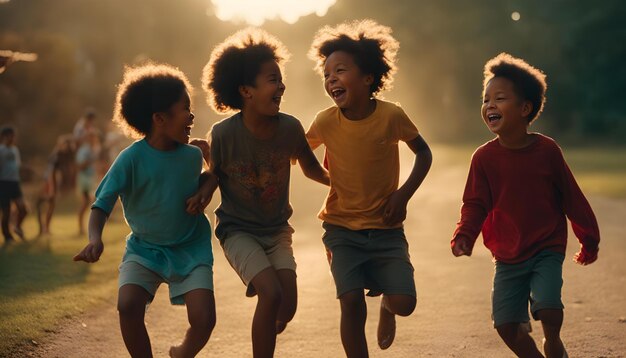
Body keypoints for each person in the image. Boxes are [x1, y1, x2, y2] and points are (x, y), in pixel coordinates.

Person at [451, 53, 600, 358]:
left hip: (546, 245)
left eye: (500, 98)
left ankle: (553, 341)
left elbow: (572, 197)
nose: (490, 105)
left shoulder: (547, 151)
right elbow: (475, 204)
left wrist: (589, 239)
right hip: (507, 255)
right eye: (486, 98)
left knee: (548, 308)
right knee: (505, 325)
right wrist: (465, 234)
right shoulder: (483, 158)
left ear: (524, 108)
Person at [73, 63, 217, 358]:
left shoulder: (193, 154)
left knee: (204, 319)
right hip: (145, 248)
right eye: (185, 109)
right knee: (127, 305)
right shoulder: (131, 159)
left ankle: (183, 352)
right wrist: (94, 238)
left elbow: (213, 174)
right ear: (160, 118)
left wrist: (206, 185)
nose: (192, 116)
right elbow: (102, 202)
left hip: (190, 247)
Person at [306, 19, 432, 357]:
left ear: (368, 78)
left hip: (386, 229)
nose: (331, 78)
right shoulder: (325, 121)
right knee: (350, 301)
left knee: (405, 303)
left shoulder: (392, 116)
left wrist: (403, 194)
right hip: (340, 227)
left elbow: (423, 152)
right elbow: (297, 154)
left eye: (340, 70)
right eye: (327, 74)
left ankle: (388, 307)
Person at [201, 28, 329, 358]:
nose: (281, 86)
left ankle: (264, 295)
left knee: (286, 308)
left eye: (281, 79)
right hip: (238, 230)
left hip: (276, 231)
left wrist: (341, 183)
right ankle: (262, 287)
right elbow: (213, 175)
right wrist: (201, 193)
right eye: (273, 79)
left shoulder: (289, 128)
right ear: (246, 91)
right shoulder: (223, 134)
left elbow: (311, 167)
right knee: (271, 295)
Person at [36, 135, 72, 236]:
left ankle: (45, 228)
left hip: (52, 181)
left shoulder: (62, 155)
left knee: (51, 205)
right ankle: (42, 229)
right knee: (43, 203)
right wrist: (52, 188)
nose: (67, 147)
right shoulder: (57, 155)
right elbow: (51, 172)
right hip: (49, 181)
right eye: (66, 145)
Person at [0, 126, 28, 242]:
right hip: (3, 183)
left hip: (15, 183)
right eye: (10, 136)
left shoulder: (15, 150)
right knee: (6, 211)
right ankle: (7, 236)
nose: (13, 138)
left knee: (23, 209)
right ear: (4, 137)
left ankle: (17, 226)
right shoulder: (1, 150)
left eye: (14, 136)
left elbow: (17, 166)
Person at [75, 128, 101, 235]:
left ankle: (86, 227)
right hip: (84, 178)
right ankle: (81, 228)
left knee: (90, 202)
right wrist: (90, 160)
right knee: (86, 203)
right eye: (91, 137)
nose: (93, 139)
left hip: (90, 178)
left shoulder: (94, 149)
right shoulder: (84, 150)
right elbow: (80, 166)